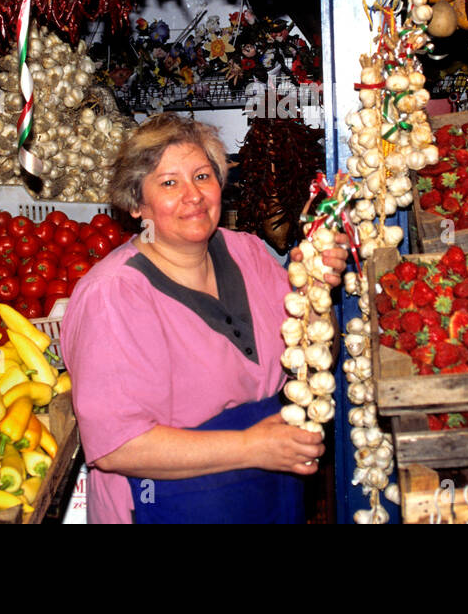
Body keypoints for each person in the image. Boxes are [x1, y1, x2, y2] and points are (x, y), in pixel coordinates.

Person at [60, 113, 350, 524]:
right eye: (169, 183)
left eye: (201, 176)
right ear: (137, 204)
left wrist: (316, 295)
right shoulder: (113, 297)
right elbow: (115, 447)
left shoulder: (247, 253)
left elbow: (318, 358)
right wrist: (249, 447)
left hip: (268, 498)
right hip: (165, 506)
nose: (192, 195)